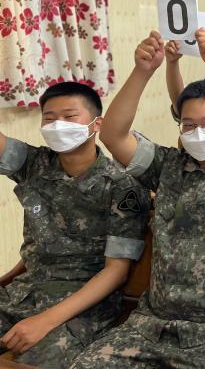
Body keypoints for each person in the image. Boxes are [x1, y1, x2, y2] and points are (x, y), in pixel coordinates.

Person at [72, 29, 205, 368]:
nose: (197, 133)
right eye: (189, 126)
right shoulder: (168, 166)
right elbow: (113, 135)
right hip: (151, 325)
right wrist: (143, 70)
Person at [0, 82, 149, 367]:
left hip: (84, 307)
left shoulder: (122, 186)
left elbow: (115, 272)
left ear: (96, 124)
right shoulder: (35, 163)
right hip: (24, 292)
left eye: (69, 117)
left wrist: (44, 321)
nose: (58, 125)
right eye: (49, 117)